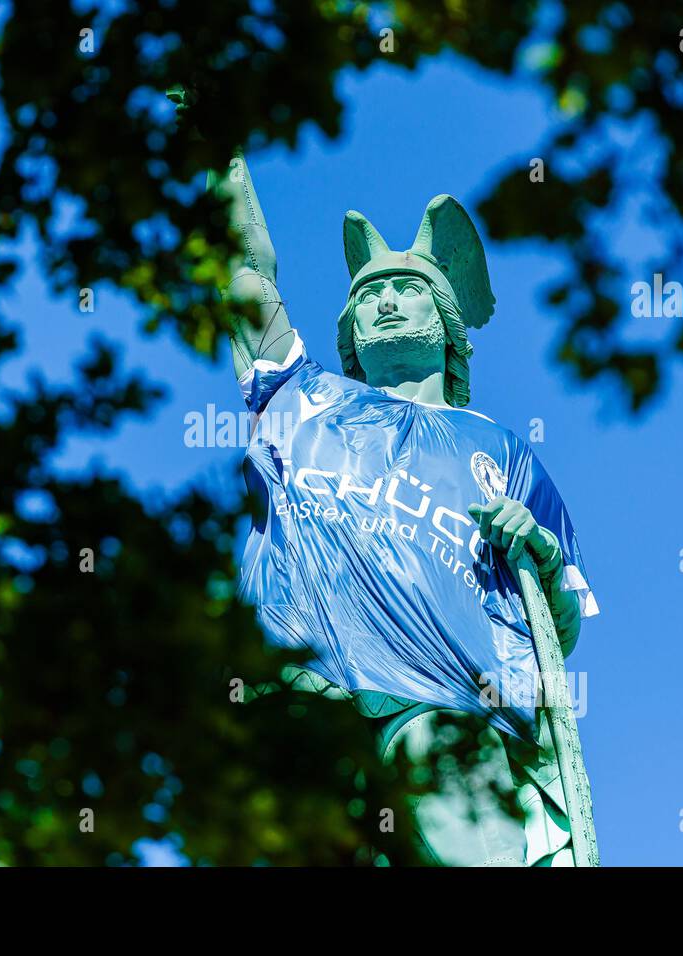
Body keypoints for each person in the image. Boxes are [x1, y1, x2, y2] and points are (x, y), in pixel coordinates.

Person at [174, 90, 599, 866]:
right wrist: (219, 147)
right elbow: (241, 271)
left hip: (448, 699)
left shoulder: (501, 449)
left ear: (447, 325)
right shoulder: (301, 397)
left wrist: (532, 542)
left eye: (408, 290)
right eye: (368, 296)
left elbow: (558, 627)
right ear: (351, 334)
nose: (387, 303)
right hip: (298, 690)